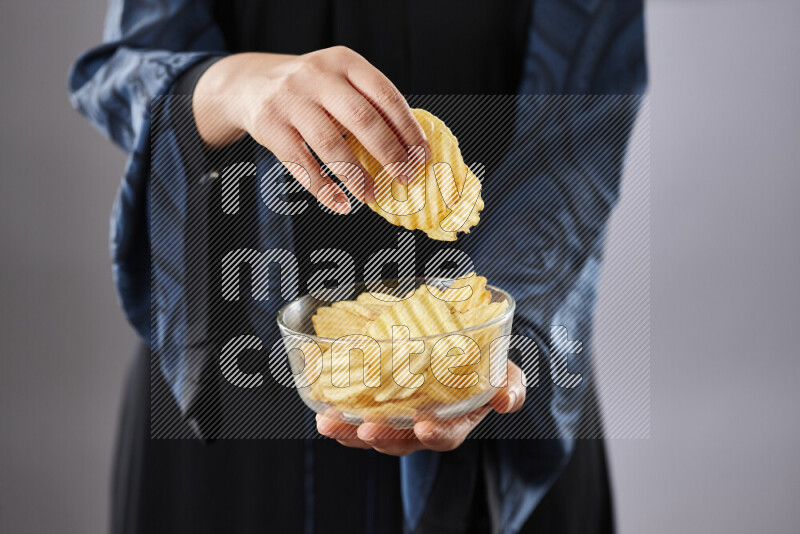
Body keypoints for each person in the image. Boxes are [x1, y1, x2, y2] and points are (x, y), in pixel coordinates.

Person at [69, 1, 646, 532]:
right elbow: (123, 67)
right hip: (233, 381)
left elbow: (587, 107)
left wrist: (487, 346)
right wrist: (228, 85)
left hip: (498, 383)